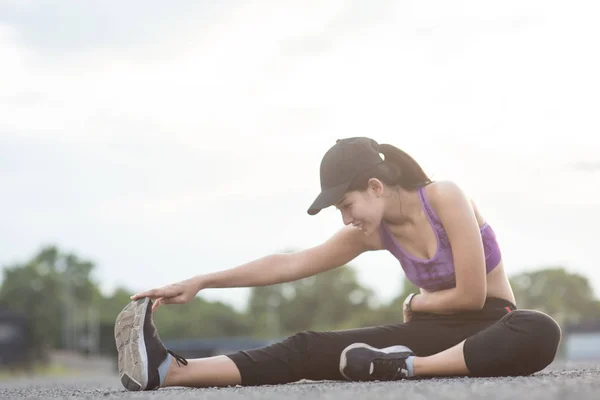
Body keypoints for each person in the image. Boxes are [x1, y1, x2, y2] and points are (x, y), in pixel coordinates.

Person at [114, 137, 562, 391]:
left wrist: (416, 303)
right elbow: (289, 265)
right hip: (433, 335)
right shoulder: (370, 233)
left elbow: (473, 296)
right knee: (306, 346)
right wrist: (202, 281)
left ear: (375, 186)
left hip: (492, 325)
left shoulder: (444, 196)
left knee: (539, 328)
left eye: (347, 205)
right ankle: (169, 371)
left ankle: (404, 367)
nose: (347, 219)